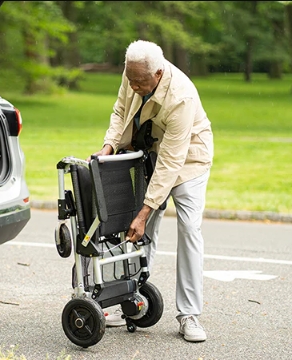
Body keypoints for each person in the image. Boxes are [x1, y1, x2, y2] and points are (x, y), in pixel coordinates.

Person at [88, 40, 214, 342]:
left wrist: (146, 210)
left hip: (189, 159)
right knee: (140, 231)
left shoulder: (181, 96)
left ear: (158, 73)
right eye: (130, 78)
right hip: (151, 151)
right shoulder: (134, 72)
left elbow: (171, 163)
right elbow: (120, 110)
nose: (134, 86)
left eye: (140, 82)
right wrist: (109, 146)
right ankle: (128, 299)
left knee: (189, 228)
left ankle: (189, 315)